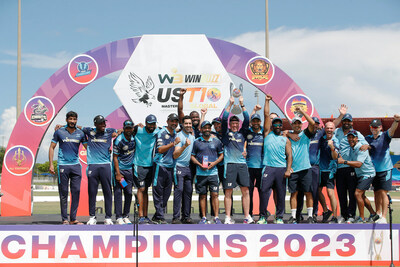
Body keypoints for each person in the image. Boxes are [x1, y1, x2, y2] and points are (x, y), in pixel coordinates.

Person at [258, 95, 292, 224]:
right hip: (268, 167)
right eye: (275, 123)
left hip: (281, 169)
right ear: (272, 125)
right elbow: (266, 115)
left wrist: (288, 170)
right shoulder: (267, 134)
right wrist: (267, 101)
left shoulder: (285, 139)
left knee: (281, 194)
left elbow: (290, 156)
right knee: (264, 192)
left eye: (279, 123)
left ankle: (279, 217)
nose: (277, 125)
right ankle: (262, 217)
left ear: (281, 125)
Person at [49, 111, 87, 225]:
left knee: (76, 191)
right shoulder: (59, 132)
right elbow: (52, 147)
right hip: (63, 165)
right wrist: (51, 164)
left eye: (74, 119)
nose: (72, 121)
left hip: (76, 166)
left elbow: (88, 147)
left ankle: (73, 219)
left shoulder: (80, 133)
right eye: (70, 119)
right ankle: (64, 219)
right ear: (66, 120)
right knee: (64, 192)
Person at [221, 96, 253, 224]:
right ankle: (228, 217)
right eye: (232, 123)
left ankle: (247, 216)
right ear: (230, 125)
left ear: (238, 125)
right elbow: (224, 119)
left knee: (245, 190)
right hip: (229, 165)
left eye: (236, 124)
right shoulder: (225, 134)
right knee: (228, 192)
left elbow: (247, 119)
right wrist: (230, 104)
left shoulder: (242, 133)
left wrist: (242, 104)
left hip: (242, 164)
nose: (234, 125)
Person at [82, 115, 119, 225]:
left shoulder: (109, 131)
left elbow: (120, 131)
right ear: (95, 124)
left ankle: (108, 217)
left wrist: (135, 126)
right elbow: (77, 127)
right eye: (101, 123)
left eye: (104, 122)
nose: (103, 124)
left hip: (106, 165)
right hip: (93, 165)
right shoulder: (89, 131)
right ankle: (92, 217)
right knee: (92, 192)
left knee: (107, 192)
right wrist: (62, 126)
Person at [335, 113, 369, 223]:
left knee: (352, 193)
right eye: (344, 121)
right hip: (339, 168)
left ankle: (351, 215)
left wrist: (367, 145)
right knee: (341, 193)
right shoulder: (337, 132)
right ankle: (343, 215)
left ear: (352, 123)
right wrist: (340, 114)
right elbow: (330, 127)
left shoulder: (356, 134)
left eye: (348, 121)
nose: (346, 123)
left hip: (350, 167)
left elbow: (366, 144)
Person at [365, 115, 400, 223]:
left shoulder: (385, 136)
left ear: (380, 128)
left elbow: (392, 129)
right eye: (372, 127)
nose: (374, 129)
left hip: (386, 169)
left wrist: (396, 120)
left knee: (383, 193)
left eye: (376, 127)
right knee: (376, 192)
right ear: (370, 127)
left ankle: (383, 217)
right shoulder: (367, 138)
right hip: (374, 170)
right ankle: (378, 213)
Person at [338, 130, 377, 223]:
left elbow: (359, 164)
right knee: (362, 196)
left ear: (357, 138)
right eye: (349, 137)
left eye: (353, 137)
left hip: (368, 173)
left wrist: (344, 161)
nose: (351, 139)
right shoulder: (352, 148)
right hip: (361, 174)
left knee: (357, 194)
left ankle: (361, 218)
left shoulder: (360, 148)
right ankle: (373, 213)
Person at [286, 107, 316, 224]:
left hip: (305, 168)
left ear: (301, 125)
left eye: (299, 123)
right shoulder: (288, 136)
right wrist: (288, 133)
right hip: (293, 170)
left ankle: (309, 216)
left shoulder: (305, 134)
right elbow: (283, 133)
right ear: (292, 125)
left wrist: (302, 112)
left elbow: (312, 123)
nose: (297, 125)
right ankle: (293, 216)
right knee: (294, 193)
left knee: (308, 192)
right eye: (295, 124)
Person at [191, 120, 224, 224]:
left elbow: (221, 155)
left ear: (211, 129)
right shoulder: (196, 142)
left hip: (213, 173)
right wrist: (199, 164)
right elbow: (192, 156)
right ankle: (204, 217)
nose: (207, 129)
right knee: (202, 195)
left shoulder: (216, 141)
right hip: (201, 174)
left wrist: (214, 163)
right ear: (201, 129)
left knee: (215, 195)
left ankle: (216, 217)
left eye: (208, 128)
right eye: (205, 128)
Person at [152, 113, 180, 224]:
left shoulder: (175, 133)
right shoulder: (162, 132)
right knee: (158, 192)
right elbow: (160, 149)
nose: (174, 123)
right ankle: (160, 216)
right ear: (168, 121)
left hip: (170, 167)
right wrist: (173, 144)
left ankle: (157, 215)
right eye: (172, 121)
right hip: (160, 165)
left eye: (176, 121)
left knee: (167, 194)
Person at [133, 114, 160, 224]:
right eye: (150, 124)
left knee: (146, 191)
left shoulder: (157, 131)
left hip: (151, 165)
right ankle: (140, 216)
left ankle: (145, 215)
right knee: (141, 189)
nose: (152, 126)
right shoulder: (138, 130)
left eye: (153, 123)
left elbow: (172, 129)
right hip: (139, 164)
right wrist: (135, 126)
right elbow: (123, 130)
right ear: (146, 123)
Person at [244, 104, 270, 217]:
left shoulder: (264, 132)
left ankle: (262, 214)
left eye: (257, 121)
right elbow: (248, 121)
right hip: (249, 167)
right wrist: (253, 110)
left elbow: (267, 118)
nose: (255, 123)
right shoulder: (248, 132)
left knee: (262, 192)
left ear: (260, 122)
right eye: (253, 121)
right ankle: (248, 214)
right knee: (248, 192)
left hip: (261, 167)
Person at [172, 115, 196, 224]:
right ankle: (176, 217)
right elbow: (175, 155)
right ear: (182, 124)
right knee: (179, 190)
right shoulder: (179, 136)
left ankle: (186, 216)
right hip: (178, 167)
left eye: (190, 123)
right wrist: (185, 146)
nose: (188, 125)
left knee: (188, 191)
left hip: (188, 167)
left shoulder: (192, 137)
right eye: (186, 123)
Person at [113, 120, 135, 225]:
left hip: (129, 171)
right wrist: (118, 173)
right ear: (124, 128)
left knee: (129, 192)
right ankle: (118, 217)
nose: (129, 130)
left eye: (130, 128)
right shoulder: (119, 140)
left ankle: (126, 215)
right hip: (120, 171)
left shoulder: (134, 138)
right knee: (118, 192)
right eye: (127, 128)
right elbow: (115, 157)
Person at [317, 121, 340, 223]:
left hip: (329, 170)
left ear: (334, 129)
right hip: (319, 169)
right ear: (325, 129)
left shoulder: (335, 141)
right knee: (316, 191)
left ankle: (335, 216)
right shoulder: (321, 139)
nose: (329, 130)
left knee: (330, 193)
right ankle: (326, 211)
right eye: (328, 128)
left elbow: (335, 157)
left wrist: (332, 148)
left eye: (331, 128)